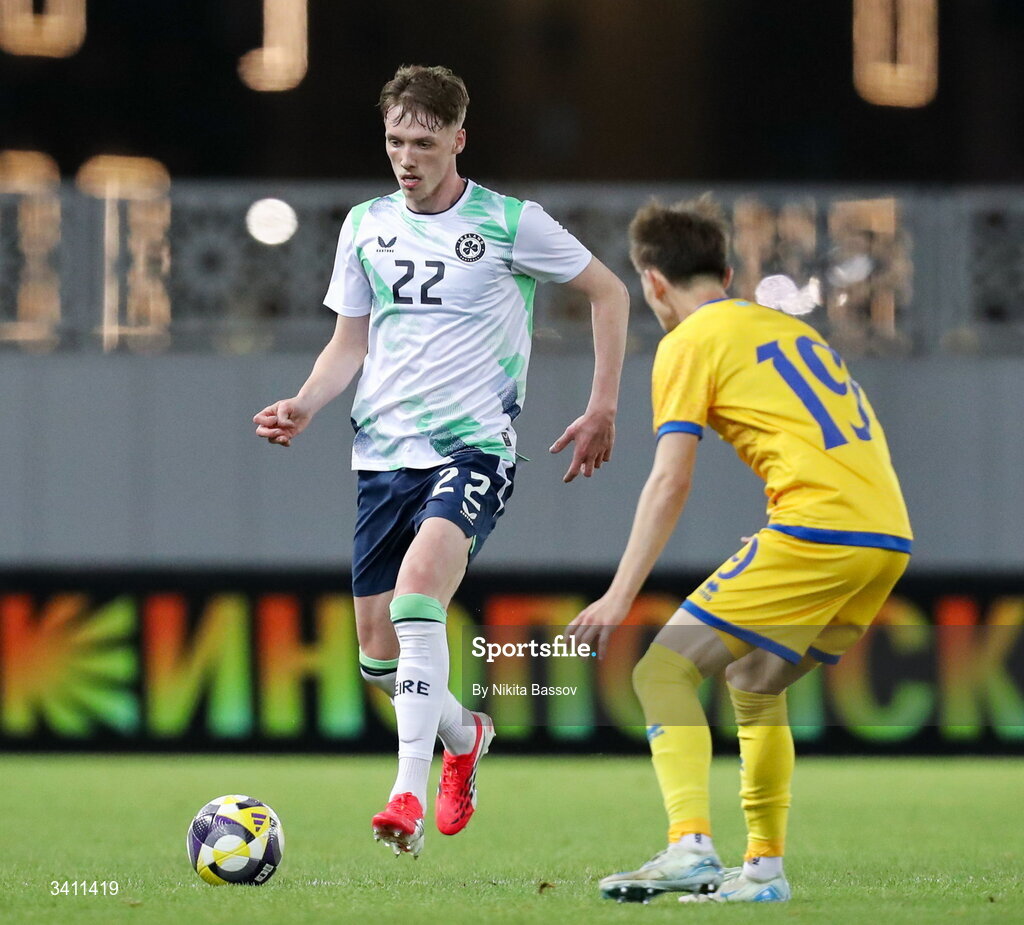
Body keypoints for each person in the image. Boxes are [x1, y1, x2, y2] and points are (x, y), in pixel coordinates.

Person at [254, 65, 629, 859]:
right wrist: (305, 403)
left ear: (459, 139)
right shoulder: (364, 226)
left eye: (423, 142)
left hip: (474, 449)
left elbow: (609, 292)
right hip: (380, 457)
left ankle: (405, 797)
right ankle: (465, 734)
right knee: (377, 659)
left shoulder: (508, 221)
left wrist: (603, 405)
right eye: (395, 140)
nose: (406, 157)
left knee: (420, 593)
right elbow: (348, 343)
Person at [568, 195, 911, 903]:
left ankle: (689, 845)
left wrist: (620, 593)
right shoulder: (786, 329)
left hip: (819, 528)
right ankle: (762, 873)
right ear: (725, 270)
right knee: (755, 683)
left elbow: (671, 477)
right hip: (884, 536)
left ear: (653, 282)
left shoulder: (688, 341)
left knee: (661, 671)